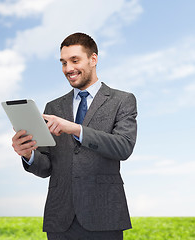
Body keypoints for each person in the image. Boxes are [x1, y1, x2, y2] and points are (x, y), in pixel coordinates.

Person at [12, 32, 137, 240]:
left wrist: (75, 129)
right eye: (63, 62)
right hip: (60, 219)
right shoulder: (53, 106)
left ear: (93, 59)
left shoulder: (122, 100)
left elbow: (123, 147)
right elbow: (47, 168)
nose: (68, 68)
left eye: (74, 60)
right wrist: (28, 154)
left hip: (104, 216)